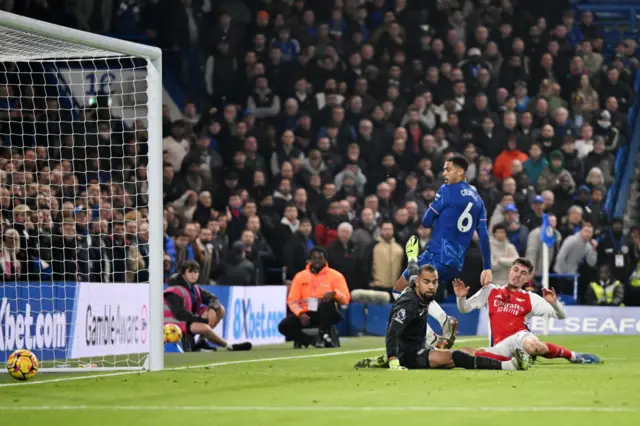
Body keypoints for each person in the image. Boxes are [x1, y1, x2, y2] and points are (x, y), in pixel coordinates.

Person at [354, 240, 531, 371]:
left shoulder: (416, 283)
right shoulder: (409, 304)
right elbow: (392, 331)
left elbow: (414, 270)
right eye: (427, 282)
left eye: (435, 282)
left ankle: (386, 359)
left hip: (419, 346)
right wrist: (394, 360)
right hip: (413, 356)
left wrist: (413, 256)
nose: (431, 286)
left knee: (460, 353)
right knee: (456, 357)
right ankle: (508, 366)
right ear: (418, 284)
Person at [393, 155, 493, 346]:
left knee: (402, 293)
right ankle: (435, 335)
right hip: (455, 261)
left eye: (448, 169)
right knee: (408, 293)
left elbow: (426, 221)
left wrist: (435, 211)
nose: (444, 173)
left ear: (460, 171)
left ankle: (440, 327)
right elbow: (484, 236)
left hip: (436, 253)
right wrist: (487, 266)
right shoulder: (478, 200)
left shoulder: (446, 190)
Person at [453, 258, 601, 364]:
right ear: (510, 270)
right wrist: (461, 298)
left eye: (523, 273)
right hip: (499, 349)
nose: (517, 275)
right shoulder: (490, 291)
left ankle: (574, 356)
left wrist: (554, 303)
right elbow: (464, 308)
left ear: (528, 278)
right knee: (465, 354)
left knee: (533, 345)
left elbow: (561, 315)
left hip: (521, 340)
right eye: (516, 270)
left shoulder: (530, 298)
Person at [164, 261, 252, 352]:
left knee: (220, 309)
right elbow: (179, 314)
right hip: (174, 323)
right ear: (183, 274)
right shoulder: (174, 290)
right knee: (204, 328)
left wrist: (211, 308)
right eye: (190, 272)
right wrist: (200, 320)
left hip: (189, 319)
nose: (194, 275)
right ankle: (228, 346)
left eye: (196, 272)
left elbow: (213, 298)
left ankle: (201, 341)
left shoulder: (195, 288)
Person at [278, 246, 351, 348]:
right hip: (306, 314)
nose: (317, 261)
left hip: (325, 313)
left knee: (327, 302)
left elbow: (346, 299)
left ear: (325, 259)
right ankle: (311, 341)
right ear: (310, 260)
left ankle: (322, 334)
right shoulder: (300, 276)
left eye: (320, 258)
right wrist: (300, 314)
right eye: (314, 258)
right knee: (283, 326)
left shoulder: (336, 276)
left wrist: (335, 293)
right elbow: (292, 300)